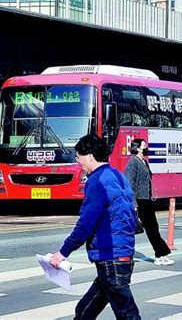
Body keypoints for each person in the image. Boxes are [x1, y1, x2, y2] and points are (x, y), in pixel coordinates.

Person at [49, 134, 141, 320]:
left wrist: (62, 253)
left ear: (90, 156)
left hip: (111, 257)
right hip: (122, 254)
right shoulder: (118, 176)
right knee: (85, 311)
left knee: (127, 314)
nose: (77, 161)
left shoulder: (97, 181)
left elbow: (86, 224)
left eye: (79, 156)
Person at [125, 138, 175, 266]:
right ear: (137, 148)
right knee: (148, 228)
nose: (146, 148)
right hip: (139, 201)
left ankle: (161, 253)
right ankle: (160, 254)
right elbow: (129, 184)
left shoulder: (143, 162)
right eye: (143, 146)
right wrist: (133, 204)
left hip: (146, 199)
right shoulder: (133, 163)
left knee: (153, 227)